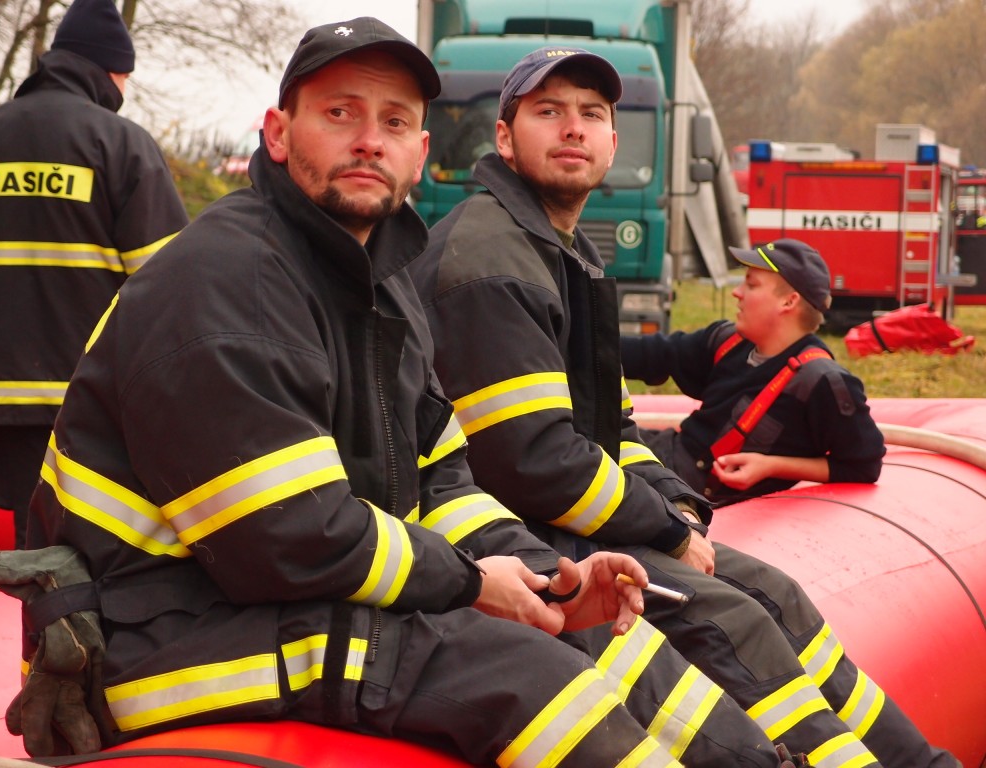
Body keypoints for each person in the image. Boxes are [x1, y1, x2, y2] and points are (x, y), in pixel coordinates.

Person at [21, 18, 805, 768]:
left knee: (591, 629)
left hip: (257, 601)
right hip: (152, 634)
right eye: (340, 113)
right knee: (520, 672)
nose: (370, 139)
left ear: (421, 152)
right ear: (278, 133)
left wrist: (546, 579)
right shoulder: (225, 280)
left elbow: (441, 484)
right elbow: (289, 538)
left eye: (394, 121)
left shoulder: (384, 287)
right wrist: (472, 584)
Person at [410, 46, 957, 767]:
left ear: (613, 141)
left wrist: (677, 507)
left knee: (776, 593)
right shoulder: (490, 261)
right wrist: (667, 530)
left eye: (591, 114)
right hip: (512, 532)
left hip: (564, 516)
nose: (573, 127)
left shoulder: (558, 251)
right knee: (731, 618)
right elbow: (532, 461)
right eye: (548, 111)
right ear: (505, 139)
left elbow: (612, 428)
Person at [0, 0, 188, 549]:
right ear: (110, 70)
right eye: (125, 78)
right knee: (94, 554)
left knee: (30, 551)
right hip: (97, 402)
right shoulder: (122, 143)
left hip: (10, 398)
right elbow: (173, 283)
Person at [620, 238, 885, 506]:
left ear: (788, 301)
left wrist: (771, 466)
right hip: (661, 456)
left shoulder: (822, 380)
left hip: (677, 493)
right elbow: (650, 354)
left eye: (751, 284)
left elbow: (864, 466)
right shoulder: (727, 341)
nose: (737, 292)